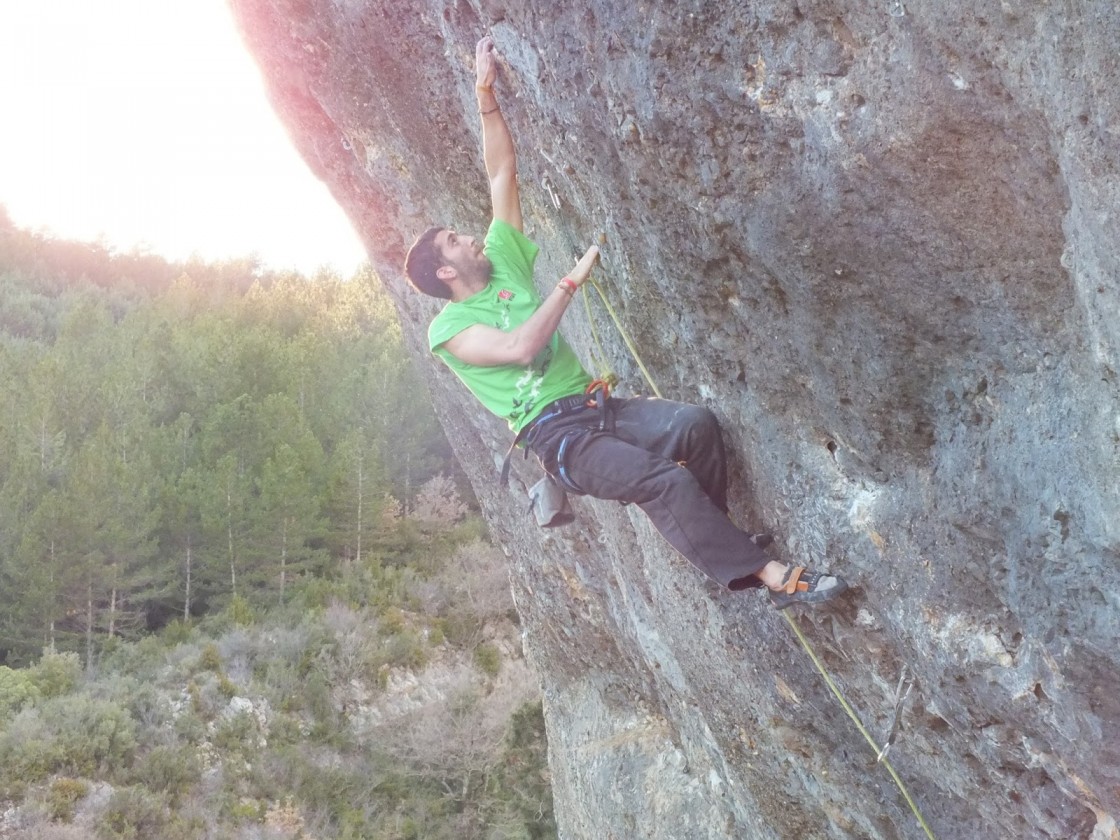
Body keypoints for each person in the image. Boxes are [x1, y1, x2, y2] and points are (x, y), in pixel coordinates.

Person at [404, 36, 849, 609]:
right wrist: (569, 283)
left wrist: (484, 92)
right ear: (445, 271)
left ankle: (720, 543)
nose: (468, 236)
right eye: (454, 241)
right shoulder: (450, 329)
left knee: (696, 425)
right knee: (664, 480)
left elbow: (501, 174)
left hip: (597, 409)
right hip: (558, 436)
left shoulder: (502, 262)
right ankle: (771, 575)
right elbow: (518, 347)